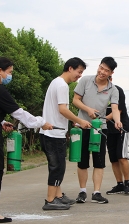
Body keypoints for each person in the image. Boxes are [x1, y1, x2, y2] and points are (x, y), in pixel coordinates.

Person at [0, 57, 53, 223]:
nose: (10, 75)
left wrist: (0, 121)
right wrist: (42, 122)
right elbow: (20, 114)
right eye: (9, 72)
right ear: (0, 71)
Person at [39, 57, 91, 210]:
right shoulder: (62, 86)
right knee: (58, 167)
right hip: (53, 134)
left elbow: (59, 111)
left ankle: (58, 196)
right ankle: (50, 200)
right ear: (70, 68)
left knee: (57, 166)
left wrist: (72, 121)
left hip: (50, 132)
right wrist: (80, 121)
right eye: (79, 72)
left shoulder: (56, 82)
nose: (79, 75)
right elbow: (63, 109)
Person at [73, 57, 122, 204]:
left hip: (99, 129)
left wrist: (118, 121)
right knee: (82, 161)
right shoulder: (85, 81)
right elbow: (75, 100)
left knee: (99, 162)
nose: (102, 72)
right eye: (101, 68)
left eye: (106, 70)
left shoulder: (113, 89)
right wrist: (87, 109)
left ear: (111, 73)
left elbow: (114, 108)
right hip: (82, 125)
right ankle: (82, 192)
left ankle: (96, 192)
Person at [106, 76, 129, 195]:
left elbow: (119, 110)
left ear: (111, 79)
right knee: (113, 159)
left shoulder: (117, 90)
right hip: (109, 130)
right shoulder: (99, 94)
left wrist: (104, 119)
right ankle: (119, 184)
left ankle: (127, 183)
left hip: (122, 128)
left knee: (122, 157)